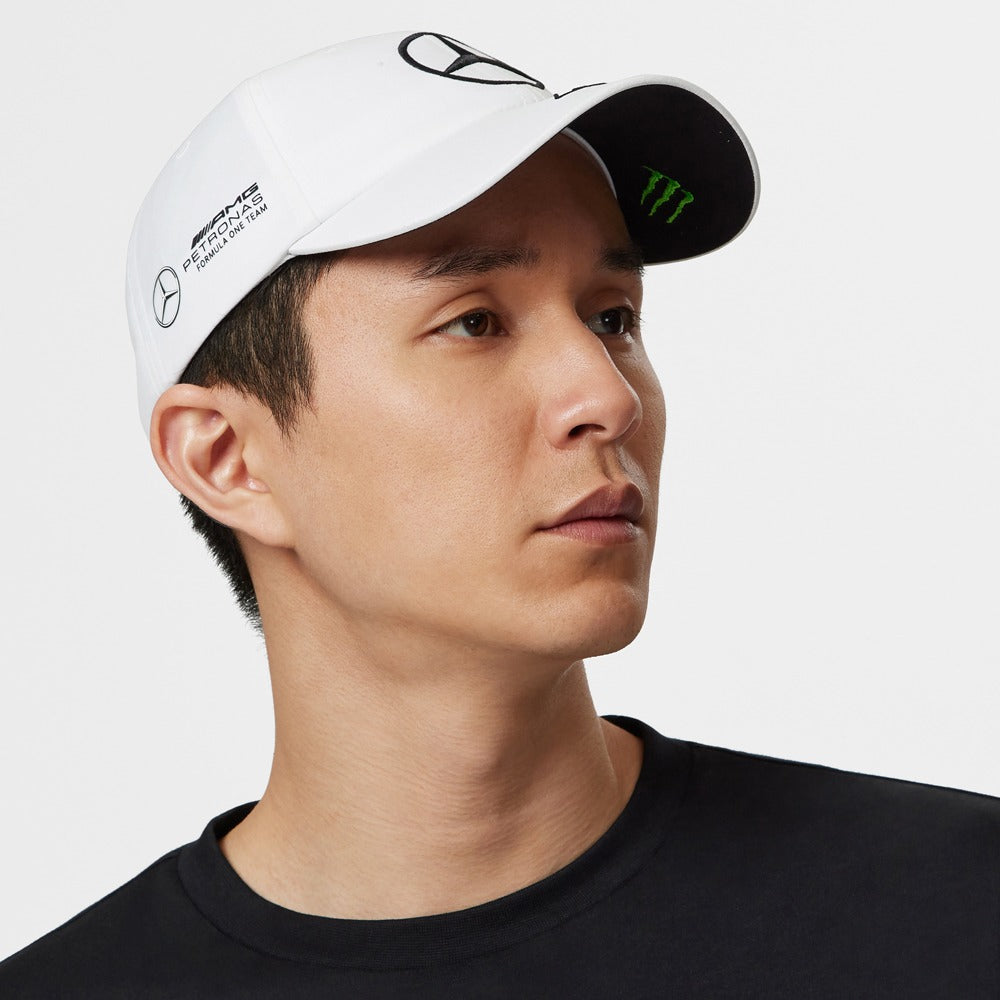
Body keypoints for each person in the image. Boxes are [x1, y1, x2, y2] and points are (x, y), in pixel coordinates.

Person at [1, 29, 996, 998]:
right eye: (474, 322)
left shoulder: (955, 909)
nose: (608, 396)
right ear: (226, 459)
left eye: (612, 317)